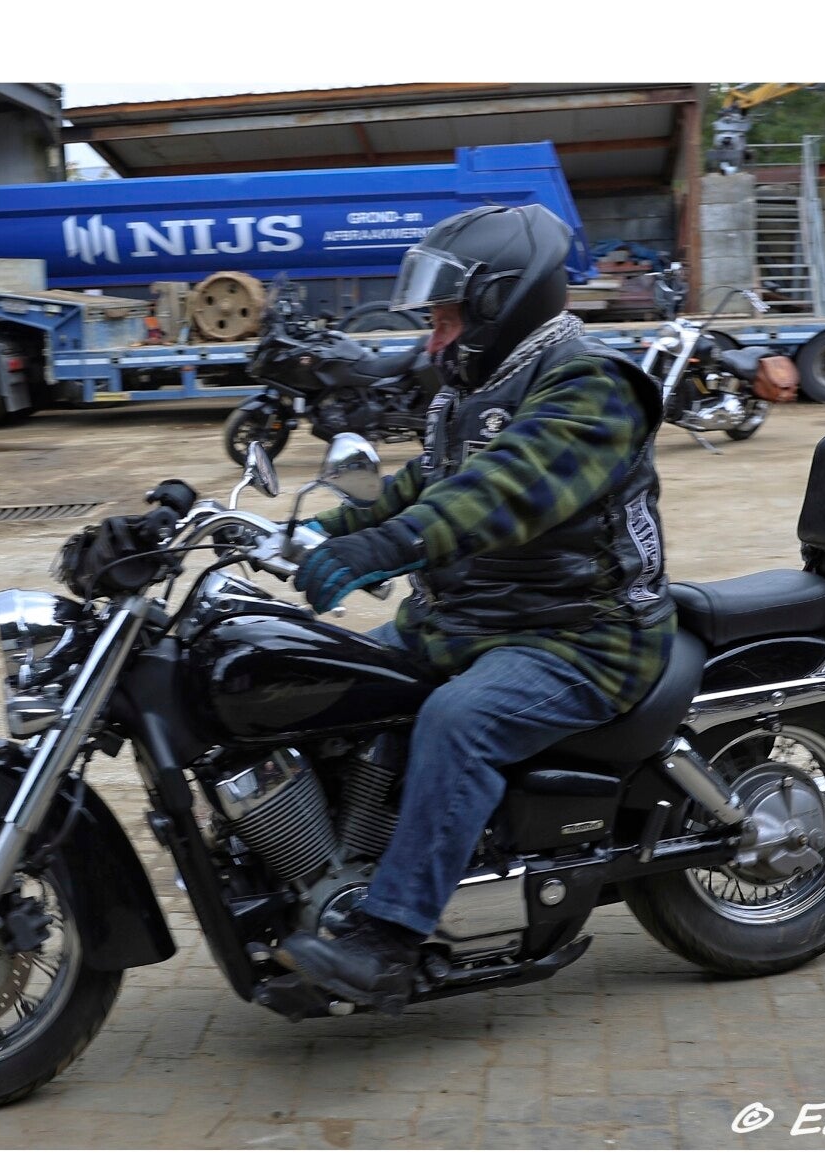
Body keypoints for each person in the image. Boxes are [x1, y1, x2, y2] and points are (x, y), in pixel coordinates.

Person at [276, 204, 677, 1012]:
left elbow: (503, 490)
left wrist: (381, 550)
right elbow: (423, 487)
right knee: (318, 679)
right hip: (468, 624)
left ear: (505, 307)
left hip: (583, 635)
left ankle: (392, 937)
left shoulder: (592, 385)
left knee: (458, 720)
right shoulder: (472, 389)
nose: (433, 341)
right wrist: (313, 532)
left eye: (446, 320)